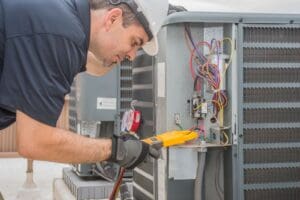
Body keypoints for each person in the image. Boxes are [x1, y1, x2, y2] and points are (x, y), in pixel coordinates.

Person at [0, 0, 169, 169]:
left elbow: (94, 66)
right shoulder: (60, 33)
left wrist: (116, 54)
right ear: (113, 18)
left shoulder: (62, 18)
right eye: (134, 42)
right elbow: (35, 140)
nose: (132, 55)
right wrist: (117, 150)